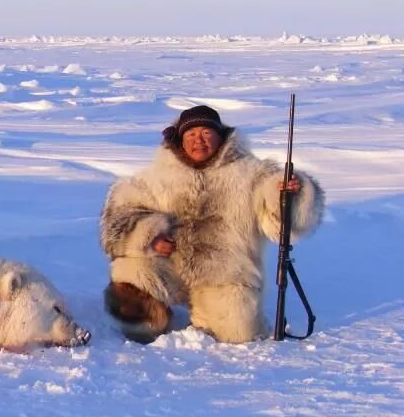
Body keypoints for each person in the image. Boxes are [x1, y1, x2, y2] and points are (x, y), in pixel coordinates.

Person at [99, 104, 324, 343]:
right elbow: (119, 217)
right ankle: (146, 328)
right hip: (169, 267)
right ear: (180, 139)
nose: (199, 140)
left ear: (222, 137)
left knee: (237, 336)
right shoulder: (156, 176)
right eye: (192, 134)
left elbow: (283, 221)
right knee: (132, 282)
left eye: (207, 133)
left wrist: (290, 192)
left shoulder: (250, 173)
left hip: (224, 275)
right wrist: (149, 238)